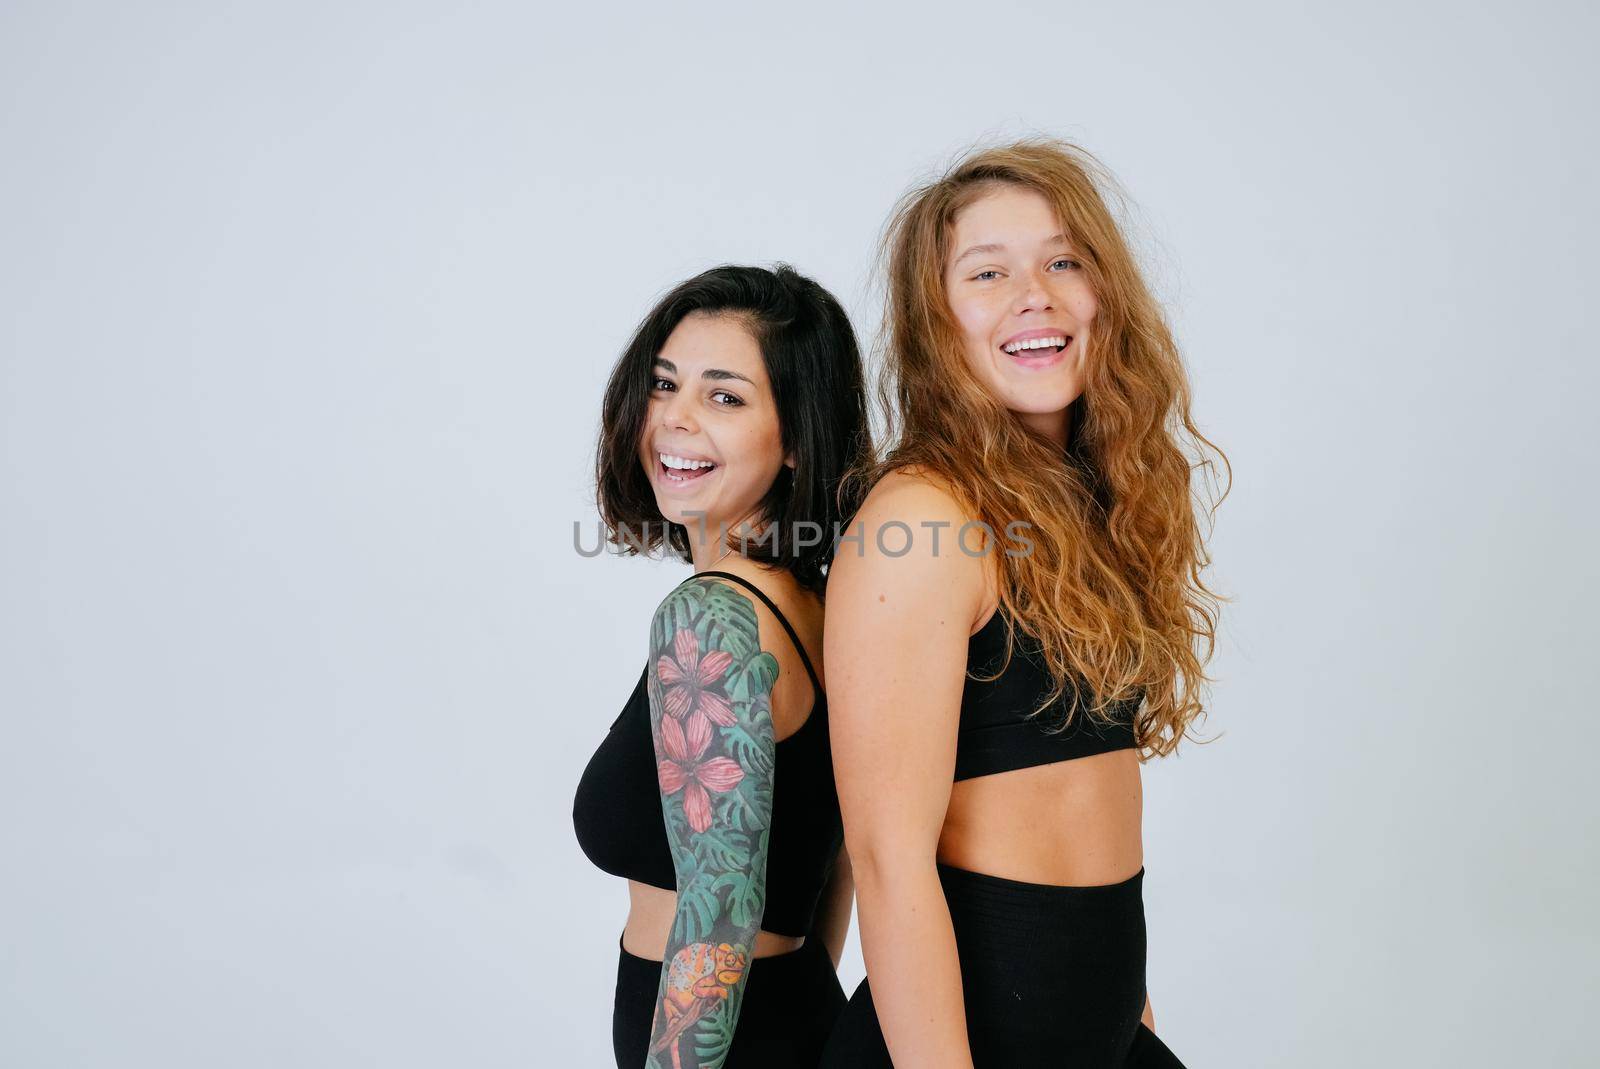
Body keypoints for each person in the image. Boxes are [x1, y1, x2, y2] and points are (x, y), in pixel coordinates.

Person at [819, 140, 1226, 1067]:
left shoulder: (1090, 504)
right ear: (937, 322)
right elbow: (887, 861)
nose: (1033, 293)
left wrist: (1134, 1026)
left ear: (1103, 293)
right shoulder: (922, 517)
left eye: (1063, 260)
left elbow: (1093, 824)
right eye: (988, 272)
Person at [574, 264, 873, 1068]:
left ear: (796, 440)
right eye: (664, 384)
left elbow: (719, 912)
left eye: (725, 396)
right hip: (791, 1015)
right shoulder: (820, 602)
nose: (673, 419)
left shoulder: (708, 619)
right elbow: (834, 864)